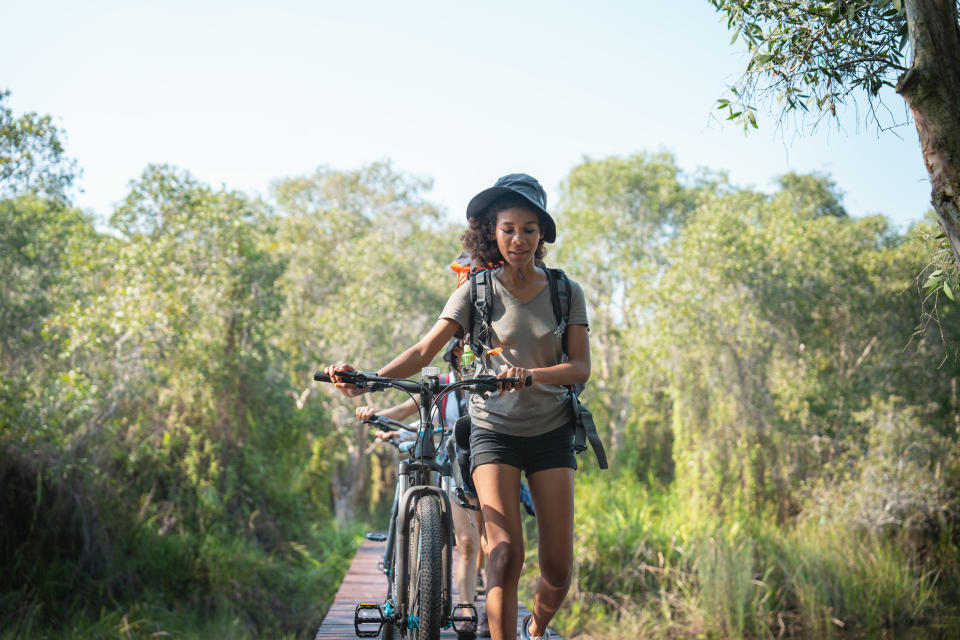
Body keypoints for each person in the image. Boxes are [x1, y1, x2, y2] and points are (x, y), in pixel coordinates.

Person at [324, 172, 589, 640]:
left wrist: (530, 375)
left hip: (550, 432)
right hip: (493, 432)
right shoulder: (476, 291)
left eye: (529, 229)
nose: (519, 239)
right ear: (493, 231)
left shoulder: (566, 292)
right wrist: (369, 381)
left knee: (558, 571)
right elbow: (424, 351)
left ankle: (535, 627)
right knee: (505, 555)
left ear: (543, 233)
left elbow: (580, 369)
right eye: (509, 228)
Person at [355, 338, 490, 636]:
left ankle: (491, 607)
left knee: (490, 543)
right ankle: (467, 611)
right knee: (467, 542)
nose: (467, 355)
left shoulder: (487, 382)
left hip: (488, 464)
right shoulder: (441, 385)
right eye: (462, 349)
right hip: (453, 469)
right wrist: (374, 416)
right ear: (454, 354)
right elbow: (405, 410)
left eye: (471, 349)